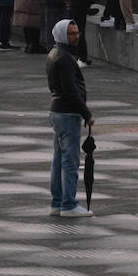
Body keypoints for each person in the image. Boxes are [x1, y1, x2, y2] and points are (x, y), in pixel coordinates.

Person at [47, 19, 94, 217]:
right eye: (71, 33)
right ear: (61, 35)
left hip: (57, 112)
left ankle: (57, 202)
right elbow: (71, 91)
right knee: (70, 161)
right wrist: (86, 113)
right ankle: (68, 204)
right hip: (67, 113)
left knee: (59, 159)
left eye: (77, 32)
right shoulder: (65, 58)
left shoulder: (54, 54)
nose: (76, 36)